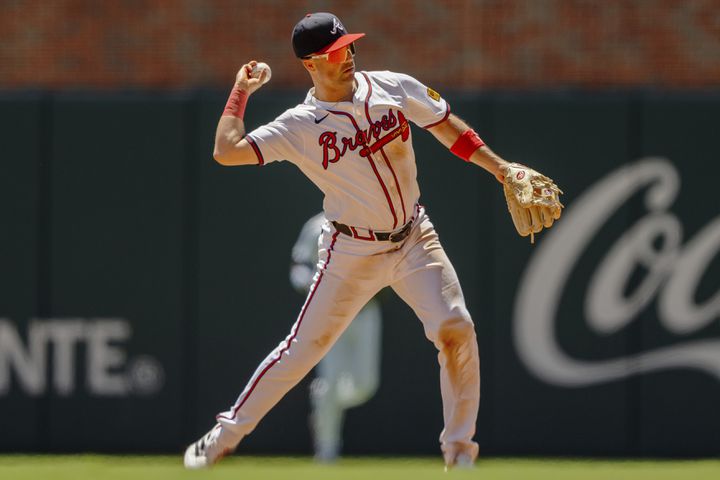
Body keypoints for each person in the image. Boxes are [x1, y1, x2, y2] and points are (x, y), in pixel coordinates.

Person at [184, 11, 511, 470]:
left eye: (350, 46)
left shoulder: (392, 87)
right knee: (302, 351)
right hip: (351, 250)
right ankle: (223, 435)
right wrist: (241, 91)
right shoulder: (299, 125)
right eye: (337, 52)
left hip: (415, 236)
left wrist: (502, 170)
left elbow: (445, 125)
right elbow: (226, 150)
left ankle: (459, 456)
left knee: (456, 329)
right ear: (311, 64)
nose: (349, 55)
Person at [290, 212, 383, 462]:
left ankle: (324, 403)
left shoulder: (374, 218)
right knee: (330, 380)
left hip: (365, 311)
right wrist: (315, 283)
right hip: (330, 314)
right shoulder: (316, 225)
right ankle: (327, 449)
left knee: (365, 385)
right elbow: (298, 267)